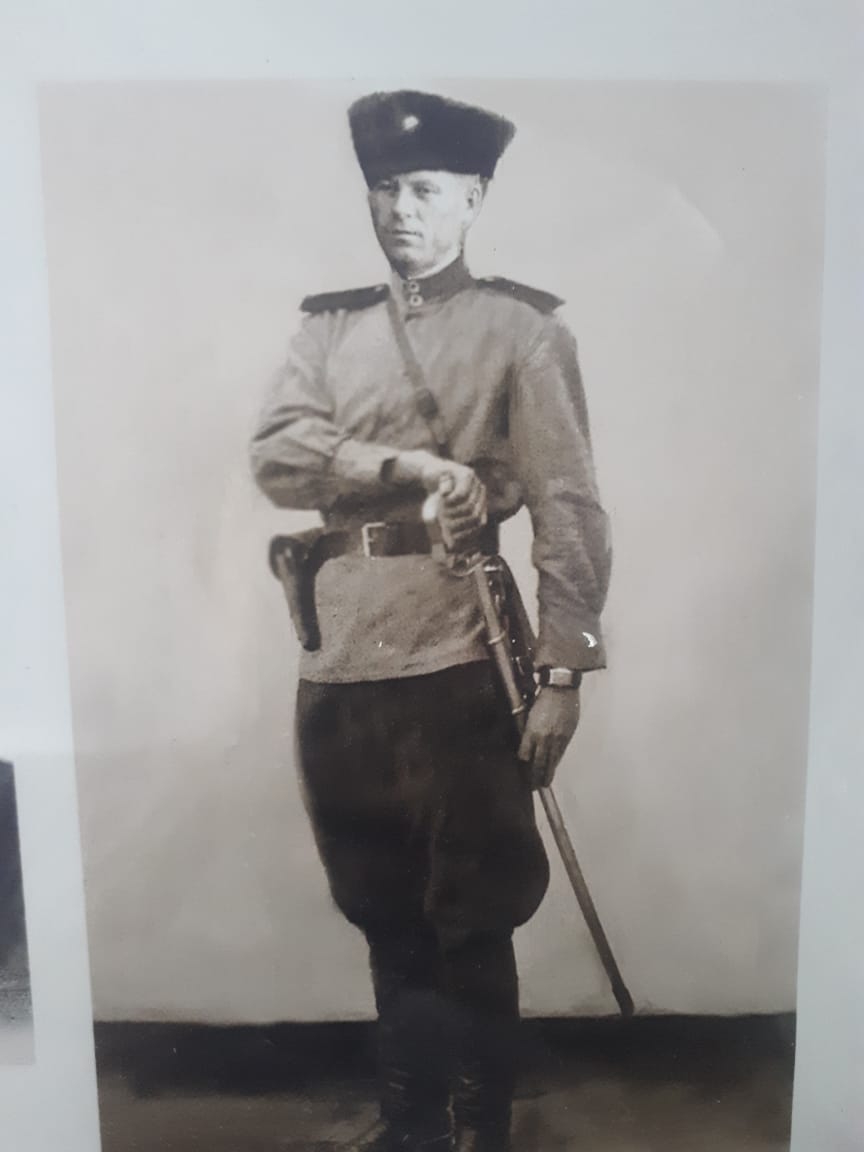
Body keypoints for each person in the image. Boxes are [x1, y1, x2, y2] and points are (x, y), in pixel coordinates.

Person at [250, 89, 611, 1152]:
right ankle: (410, 1126)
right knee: (381, 905)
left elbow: (569, 506)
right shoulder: (329, 329)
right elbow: (279, 457)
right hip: (338, 658)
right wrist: (402, 466)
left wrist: (562, 673)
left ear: (473, 198)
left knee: (471, 911)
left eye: (422, 190)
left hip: (461, 655)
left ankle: (479, 1128)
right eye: (383, 190)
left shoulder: (524, 331)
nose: (399, 210)